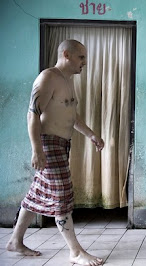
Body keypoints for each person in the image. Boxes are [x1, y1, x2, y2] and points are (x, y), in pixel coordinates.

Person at [6, 39, 104, 266]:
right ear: (67, 54)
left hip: (61, 144)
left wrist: (91, 135)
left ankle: (15, 241)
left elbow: (71, 115)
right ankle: (75, 251)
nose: (85, 63)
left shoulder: (66, 81)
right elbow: (32, 114)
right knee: (61, 194)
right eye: (81, 57)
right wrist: (36, 150)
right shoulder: (48, 77)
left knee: (37, 194)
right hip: (48, 144)